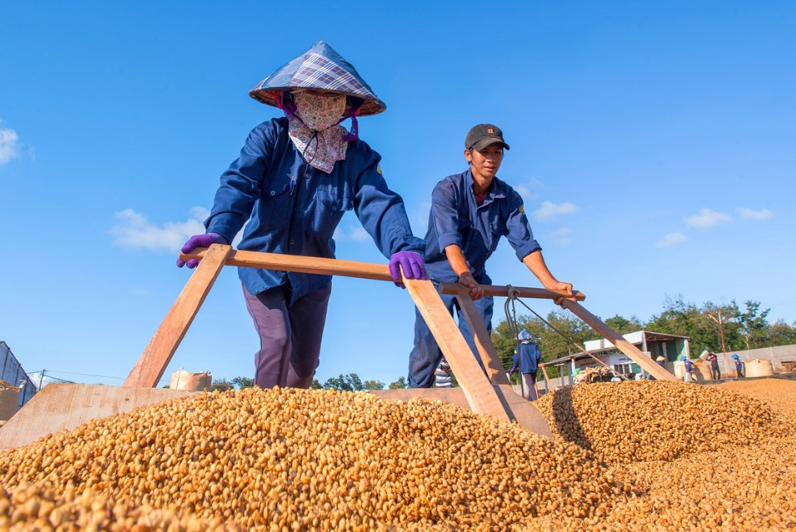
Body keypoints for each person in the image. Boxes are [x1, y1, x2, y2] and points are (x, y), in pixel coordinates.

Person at [176, 41, 427, 389]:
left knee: (305, 365)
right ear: (292, 98)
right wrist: (220, 232)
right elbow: (239, 185)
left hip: (314, 272)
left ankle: (296, 433)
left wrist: (402, 245)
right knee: (278, 342)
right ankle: (259, 425)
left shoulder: (356, 156)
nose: (322, 104)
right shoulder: (270, 138)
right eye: (312, 94)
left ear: (347, 105)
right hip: (262, 264)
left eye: (332, 97)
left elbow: (379, 203)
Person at [407, 123, 573, 388]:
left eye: (497, 152)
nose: (491, 159)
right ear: (468, 155)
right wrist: (463, 276)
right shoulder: (447, 189)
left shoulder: (508, 197)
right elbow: (449, 239)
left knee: (479, 348)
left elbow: (525, 243)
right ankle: (416, 399)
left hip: (476, 278)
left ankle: (476, 404)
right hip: (437, 277)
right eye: (484, 152)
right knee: (428, 349)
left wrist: (550, 284)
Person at [509, 329, 542, 400]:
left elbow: (516, 359)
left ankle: (536, 401)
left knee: (530, 384)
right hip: (534, 368)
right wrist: (536, 363)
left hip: (525, 368)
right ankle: (530, 401)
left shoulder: (519, 347)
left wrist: (514, 367)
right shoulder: (534, 346)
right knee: (532, 383)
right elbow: (538, 356)